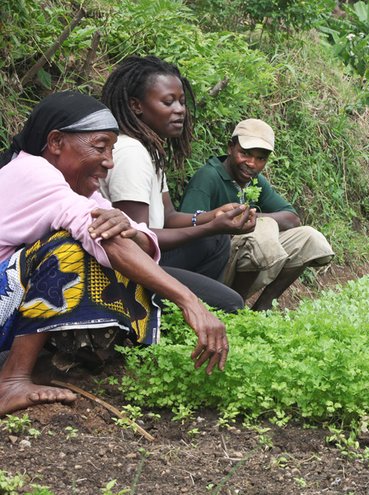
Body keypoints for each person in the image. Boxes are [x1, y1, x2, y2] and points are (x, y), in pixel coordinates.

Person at [0, 91, 229, 416]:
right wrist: (190, 302)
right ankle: (12, 380)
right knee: (67, 249)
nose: (109, 161)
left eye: (112, 149)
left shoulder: (76, 189)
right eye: (99, 147)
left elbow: (134, 240)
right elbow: (106, 239)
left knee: (108, 249)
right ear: (55, 142)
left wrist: (131, 228)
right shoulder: (34, 174)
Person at [100, 55, 255, 314]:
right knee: (230, 302)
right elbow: (137, 239)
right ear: (136, 106)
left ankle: (172, 312)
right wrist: (210, 227)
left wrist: (212, 217)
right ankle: (150, 312)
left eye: (182, 102)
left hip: (148, 253)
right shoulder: (130, 153)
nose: (180, 110)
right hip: (126, 268)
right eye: (168, 102)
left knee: (216, 240)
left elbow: (168, 216)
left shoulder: (149, 151)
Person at [180, 119, 334, 311]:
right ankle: (232, 308)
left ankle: (261, 309)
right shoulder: (209, 176)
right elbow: (187, 229)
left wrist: (248, 217)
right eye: (245, 153)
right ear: (230, 147)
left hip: (243, 258)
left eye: (260, 158)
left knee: (309, 238)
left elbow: (291, 218)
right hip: (211, 268)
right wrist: (225, 224)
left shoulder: (255, 181)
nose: (251, 163)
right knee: (261, 230)